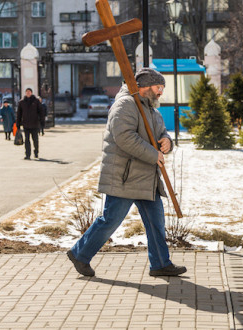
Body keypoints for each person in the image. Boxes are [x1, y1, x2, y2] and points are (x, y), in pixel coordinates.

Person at [67, 68, 187, 277]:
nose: (161, 93)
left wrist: (167, 142)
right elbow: (125, 138)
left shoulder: (151, 110)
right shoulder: (124, 105)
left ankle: (160, 263)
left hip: (146, 179)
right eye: (159, 88)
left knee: (156, 222)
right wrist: (153, 154)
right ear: (146, 86)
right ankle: (80, 254)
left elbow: (160, 132)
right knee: (110, 220)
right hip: (125, 177)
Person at [16, 88, 44, 160]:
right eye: (27, 92)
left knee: (35, 140)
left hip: (35, 124)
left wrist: (42, 123)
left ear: (31, 93)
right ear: (25, 93)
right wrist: (18, 124)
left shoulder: (36, 101)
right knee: (27, 140)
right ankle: (27, 154)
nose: (28, 93)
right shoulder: (22, 102)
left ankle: (36, 152)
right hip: (26, 125)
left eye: (29, 92)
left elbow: (41, 112)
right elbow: (19, 114)